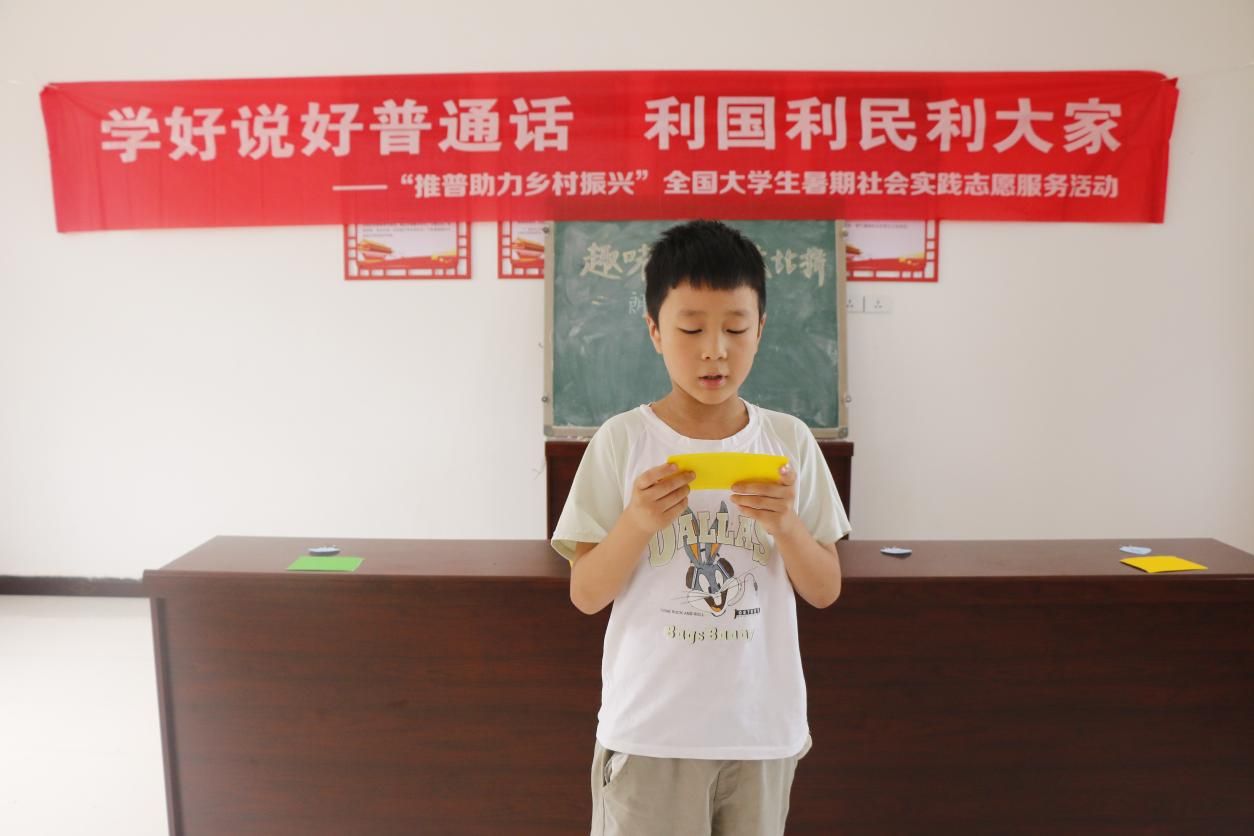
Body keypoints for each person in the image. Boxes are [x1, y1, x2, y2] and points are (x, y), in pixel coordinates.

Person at [551, 219, 852, 836]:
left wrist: (786, 524)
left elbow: (825, 589)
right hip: (651, 735)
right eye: (691, 329)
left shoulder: (789, 440)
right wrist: (638, 522)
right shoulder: (622, 441)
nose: (715, 349)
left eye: (736, 329)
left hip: (760, 734)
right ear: (655, 331)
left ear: (760, 329)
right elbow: (586, 594)